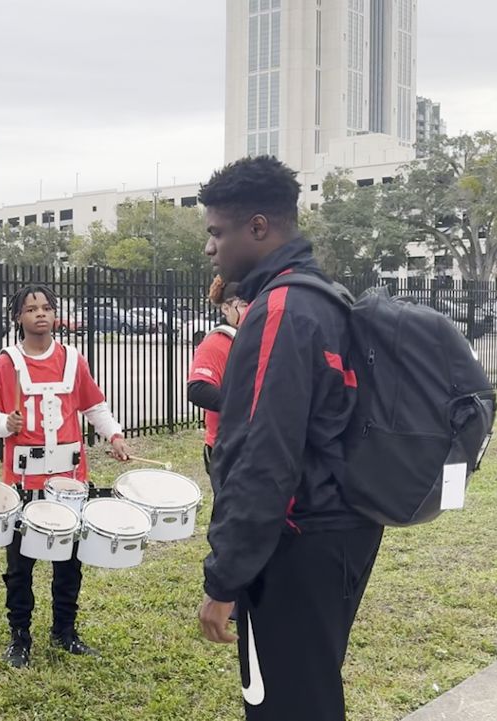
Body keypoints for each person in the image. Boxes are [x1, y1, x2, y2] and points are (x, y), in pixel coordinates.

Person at [195, 155, 383, 721]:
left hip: (297, 542)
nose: (210, 249)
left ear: (258, 227)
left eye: (216, 232)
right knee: (311, 690)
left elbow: (262, 455)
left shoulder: (279, 309)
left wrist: (225, 577)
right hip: (342, 529)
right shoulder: (324, 295)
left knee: (286, 704)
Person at [0, 284, 131, 669]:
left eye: (46, 307)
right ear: (18, 318)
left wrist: (114, 433)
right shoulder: (6, 364)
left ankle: (64, 632)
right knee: (20, 564)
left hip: (70, 481)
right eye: (31, 309)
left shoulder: (74, 360)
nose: (40, 314)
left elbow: (95, 406)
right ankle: (19, 637)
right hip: (23, 483)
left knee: (69, 561)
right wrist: (3, 422)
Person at [187, 276, 249, 475]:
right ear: (226, 308)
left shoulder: (257, 336)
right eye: (244, 305)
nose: (250, 310)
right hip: (227, 446)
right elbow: (198, 389)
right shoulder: (218, 341)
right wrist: (249, 404)